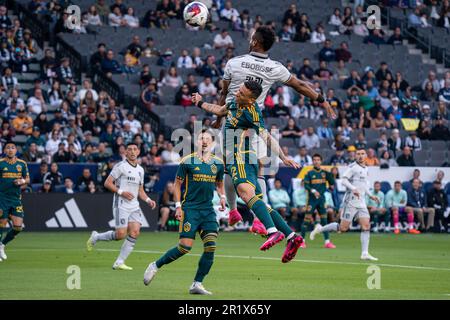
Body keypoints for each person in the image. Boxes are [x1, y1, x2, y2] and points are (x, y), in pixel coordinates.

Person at [211, 25, 335, 235]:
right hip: (255, 123)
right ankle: (260, 219)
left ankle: (233, 211)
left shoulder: (234, 62)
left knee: (229, 170)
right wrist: (322, 100)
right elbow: (300, 85)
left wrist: (217, 118)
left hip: (232, 123)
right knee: (260, 169)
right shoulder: (275, 67)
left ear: (254, 42)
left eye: (252, 37)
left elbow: (223, 93)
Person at [192, 81, 304, 262]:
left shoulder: (252, 112)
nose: (237, 93)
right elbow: (219, 110)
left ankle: (272, 232)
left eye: (242, 93)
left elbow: (266, 136)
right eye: (239, 89)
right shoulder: (235, 102)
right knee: (258, 202)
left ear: (252, 99)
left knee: (244, 192)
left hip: (240, 156)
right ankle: (292, 237)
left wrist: (283, 157)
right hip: (240, 157)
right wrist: (199, 102)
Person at [143, 130, 226, 295]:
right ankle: (155, 265)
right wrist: (179, 206)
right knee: (184, 248)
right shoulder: (187, 161)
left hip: (208, 210)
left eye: (208, 139)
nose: (204, 141)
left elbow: (219, 183)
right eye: (201, 138)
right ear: (197, 141)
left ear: (212, 143)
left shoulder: (218, 163)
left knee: (211, 247)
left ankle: (197, 284)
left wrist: (222, 197)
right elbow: (177, 185)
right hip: (191, 209)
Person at [86, 143, 157, 270]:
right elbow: (107, 183)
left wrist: (148, 200)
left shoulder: (140, 170)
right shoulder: (120, 166)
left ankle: (119, 262)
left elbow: (140, 190)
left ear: (139, 152)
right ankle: (96, 237)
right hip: (121, 204)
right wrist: (121, 192)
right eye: (129, 149)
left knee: (135, 231)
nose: (132, 152)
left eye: (135, 149)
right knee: (120, 235)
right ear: (125, 152)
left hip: (134, 205)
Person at [310, 148, 380, 261]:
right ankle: (320, 229)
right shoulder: (353, 167)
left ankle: (365, 253)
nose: (360, 156)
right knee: (343, 228)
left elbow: (364, 185)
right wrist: (353, 189)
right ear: (355, 156)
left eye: (362, 154)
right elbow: (343, 180)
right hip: (351, 201)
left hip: (361, 202)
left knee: (366, 226)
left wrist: (370, 195)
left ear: (366, 155)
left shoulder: (366, 168)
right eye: (358, 154)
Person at [0, 142, 29, 261]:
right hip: (2, 198)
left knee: (18, 227)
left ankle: (2, 245)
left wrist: (21, 182)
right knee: (2, 222)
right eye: (8, 148)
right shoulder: (1, 163)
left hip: (16, 199)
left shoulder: (22, 164)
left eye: (13, 148)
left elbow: (27, 179)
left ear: (16, 150)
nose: (10, 150)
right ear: (5, 150)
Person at [301, 154, 336, 248]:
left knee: (324, 220)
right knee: (306, 220)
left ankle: (327, 242)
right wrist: (313, 191)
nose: (316, 161)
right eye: (314, 160)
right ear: (312, 161)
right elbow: (306, 185)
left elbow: (332, 183)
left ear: (321, 161)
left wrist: (331, 178)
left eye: (318, 160)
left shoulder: (325, 173)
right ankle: (302, 241)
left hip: (321, 200)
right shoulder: (309, 173)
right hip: (311, 200)